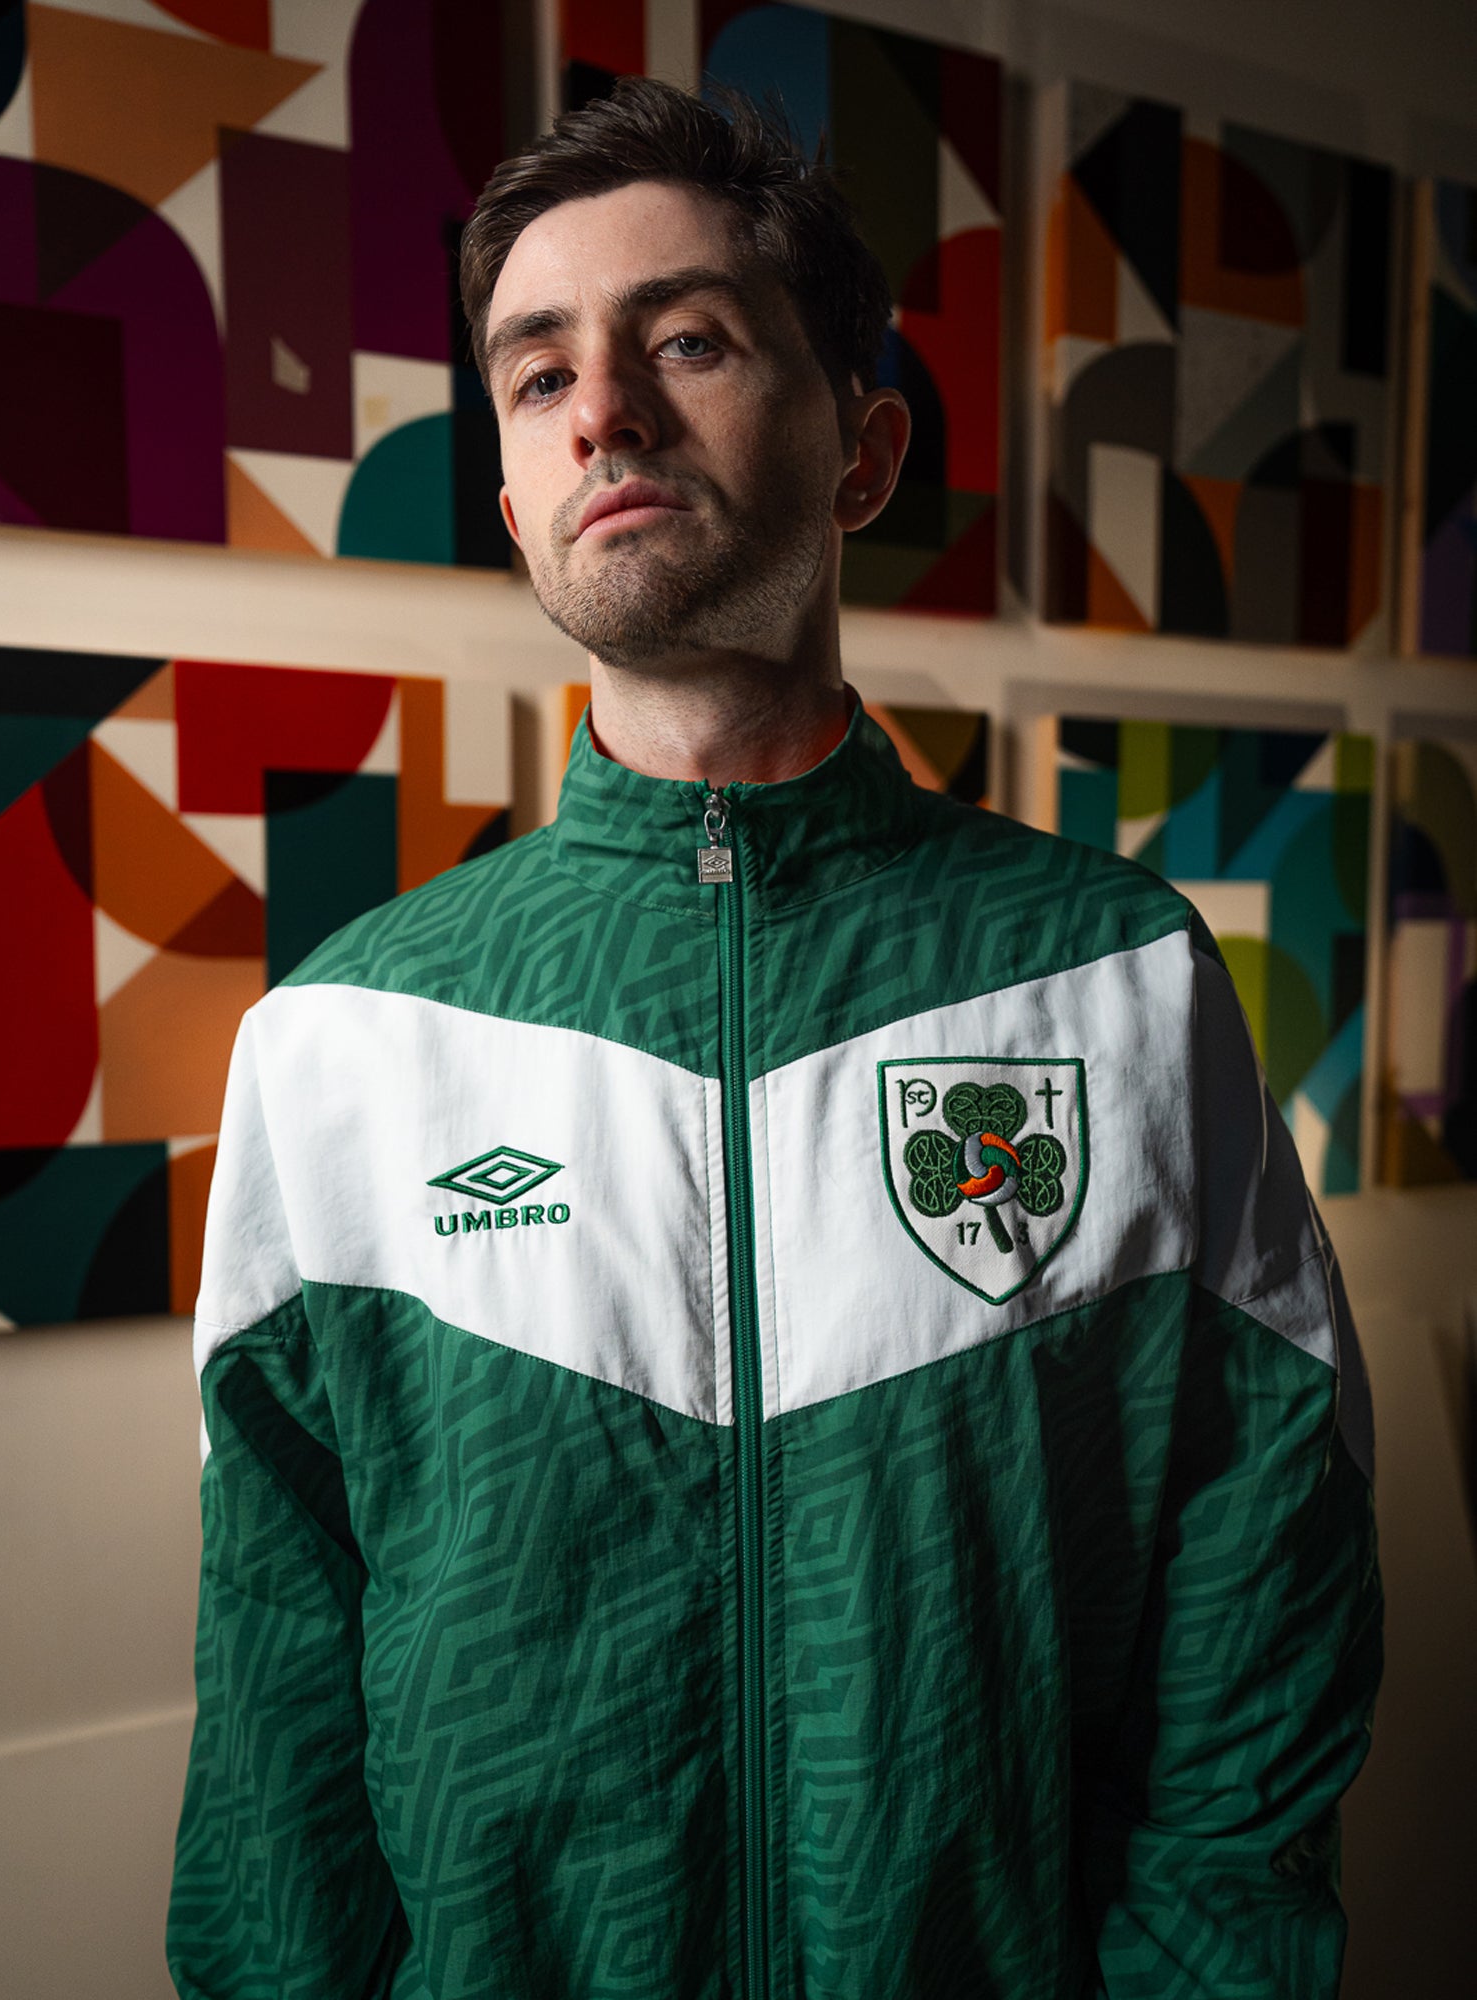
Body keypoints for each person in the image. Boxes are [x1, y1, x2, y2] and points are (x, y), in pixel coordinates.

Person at [168, 77, 1381, 2000]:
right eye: (540, 373)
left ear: (863, 454)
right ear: (515, 501)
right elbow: (274, 1724)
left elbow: (1262, 1608)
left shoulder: (1120, 980)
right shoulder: (339, 1042)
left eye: (690, 341)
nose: (604, 410)